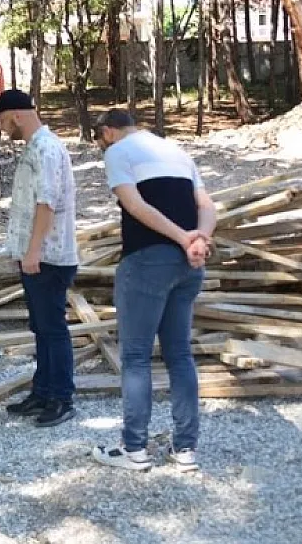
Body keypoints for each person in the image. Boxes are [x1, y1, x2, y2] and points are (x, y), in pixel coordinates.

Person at [89, 108, 214, 472]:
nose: (100, 146)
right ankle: (186, 449)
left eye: (99, 139)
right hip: (188, 264)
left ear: (109, 132)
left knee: (137, 356)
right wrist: (199, 240)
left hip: (146, 261)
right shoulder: (176, 152)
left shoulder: (118, 153)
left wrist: (182, 236)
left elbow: (135, 205)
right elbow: (205, 205)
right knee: (179, 354)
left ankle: (134, 448)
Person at [0, 89, 81, 428]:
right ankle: (42, 391)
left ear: (16, 115)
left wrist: (33, 251)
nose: (0, 125)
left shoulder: (46, 148)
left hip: (49, 256)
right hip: (37, 255)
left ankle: (62, 397)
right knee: (40, 327)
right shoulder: (34, 147)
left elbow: (47, 203)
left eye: (1, 118)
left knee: (53, 328)